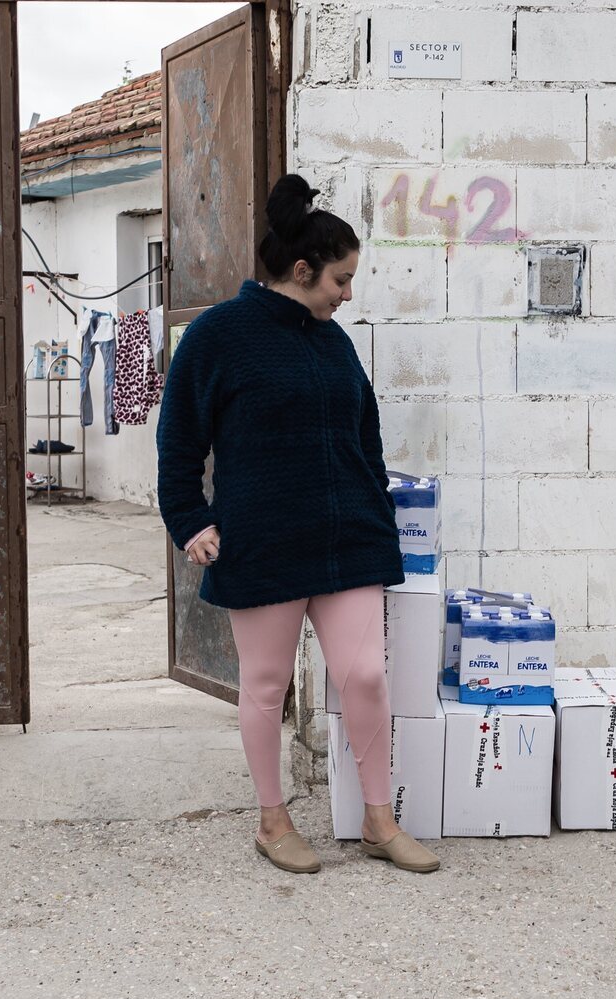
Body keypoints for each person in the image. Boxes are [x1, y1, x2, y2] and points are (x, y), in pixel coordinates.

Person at [156, 174, 439, 877]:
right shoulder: (219, 335)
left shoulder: (333, 342)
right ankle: (273, 821)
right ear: (303, 269)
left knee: (365, 674)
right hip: (262, 542)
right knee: (265, 683)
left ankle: (379, 821)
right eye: (342, 279)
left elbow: (364, 437)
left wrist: (375, 510)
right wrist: (189, 519)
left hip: (346, 542)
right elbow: (178, 437)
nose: (348, 294)